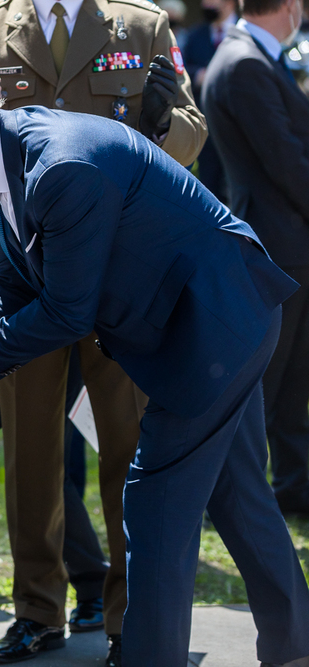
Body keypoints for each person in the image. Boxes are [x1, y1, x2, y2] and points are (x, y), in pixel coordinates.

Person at [0, 63, 309, 667]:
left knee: (155, 507)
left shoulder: (60, 166)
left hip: (216, 325)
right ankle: (296, 646)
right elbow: (15, 279)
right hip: (205, 318)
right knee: (237, 493)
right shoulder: (5, 158)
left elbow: (66, 311)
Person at [0, 0, 207, 661]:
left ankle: (128, 619)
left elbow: (192, 133)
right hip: (26, 279)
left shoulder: (141, 26)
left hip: (123, 274)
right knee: (30, 452)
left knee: (127, 447)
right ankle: (37, 609)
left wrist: (161, 123)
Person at [202, 0, 309, 518]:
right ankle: (237, 498)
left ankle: (292, 488)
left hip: (287, 243)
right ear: (289, 5)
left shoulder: (251, 56)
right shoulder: (245, 62)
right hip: (277, 247)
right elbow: (287, 163)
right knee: (266, 384)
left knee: (292, 383)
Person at [183, 0, 237, 203]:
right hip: (207, 125)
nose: (207, 4)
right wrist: (199, 75)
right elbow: (181, 69)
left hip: (237, 122)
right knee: (210, 186)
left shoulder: (244, 32)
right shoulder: (195, 35)